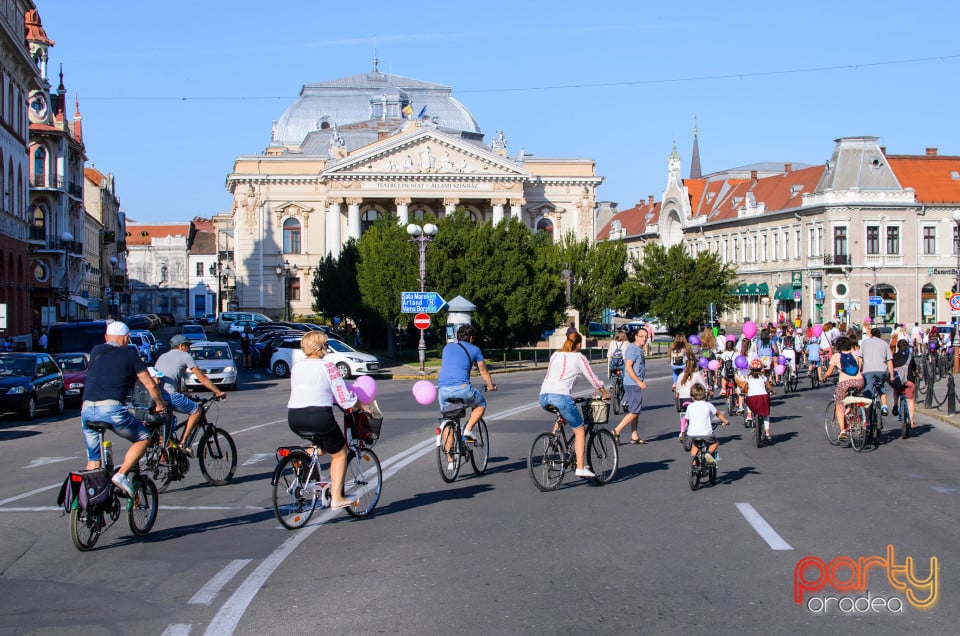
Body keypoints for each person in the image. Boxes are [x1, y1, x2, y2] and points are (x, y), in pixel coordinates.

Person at [80, 321, 166, 497]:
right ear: (127, 339)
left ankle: (90, 501)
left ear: (106, 337)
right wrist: (159, 404)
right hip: (111, 409)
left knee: (94, 460)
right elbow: (150, 384)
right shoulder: (130, 355)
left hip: (87, 409)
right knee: (143, 437)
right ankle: (121, 475)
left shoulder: (96, 350)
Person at [287, 330, 367, 510]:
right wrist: (363, 406)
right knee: (339, 452)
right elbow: (344, 398)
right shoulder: (328, 367)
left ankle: (303, 458)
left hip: (294, 416)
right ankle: (337, 498)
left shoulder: (297, 366)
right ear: (322, 347)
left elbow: (311, 389)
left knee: (320, 445)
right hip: (319, 416)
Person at [539, 329, 610, 477]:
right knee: (579, 430)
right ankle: (580, 467)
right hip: (561, 396)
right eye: (580, 345)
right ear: (578, 344)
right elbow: (593, 378)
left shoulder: (555, 355)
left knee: (564, 414)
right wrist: (604, 393)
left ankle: (554, 440)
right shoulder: (579, 357)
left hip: (544, 396)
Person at [154, 334, 226, 455]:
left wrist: (184, 394)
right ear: (181, 346)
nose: (189, 348)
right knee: (197, 411)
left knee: (170, 420)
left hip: (158, 397)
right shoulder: (184, 356)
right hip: (170, 396)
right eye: (188, 346)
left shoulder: (162, 356)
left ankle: (168, 450)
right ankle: (183, 442)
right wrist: (218, 392)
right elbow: (201, 377)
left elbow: (169, 379)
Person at [437, 323, 497, 442]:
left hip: (443, 390)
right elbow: (484, 371)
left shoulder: (447, 348)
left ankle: (451, 460)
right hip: (462, 388)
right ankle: (468, 429)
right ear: (471, 338)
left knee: (448, 421)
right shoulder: (475, 349)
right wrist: (491, 386)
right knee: (481, 405)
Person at [821, 336, 864, 441]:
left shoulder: (836, 356)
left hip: (844, 383)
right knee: (855, 398)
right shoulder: (856, 354)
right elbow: (860, 368)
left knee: (839, 404)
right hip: (859, 381)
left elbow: (829, 372)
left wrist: (823, 378)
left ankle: (843, 430)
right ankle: (856, 417)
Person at [612, 328, 649, 444]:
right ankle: (616, 430)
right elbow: (628, 367)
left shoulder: (638, 349)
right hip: (632, 383)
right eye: (641, 336)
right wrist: (638, 381)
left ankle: (634, 435)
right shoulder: (633, 349)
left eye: (645, 337)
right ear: (636, 337)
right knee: (635, 410)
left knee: (635, 409)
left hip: (633, 383)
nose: (644, 339)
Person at [684, 383, 729, 465]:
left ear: (692, 396)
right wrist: (725, 421)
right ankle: (708, 453)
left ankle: (694, 464)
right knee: (715, 443)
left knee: (695, 445)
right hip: (706, 433)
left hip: (692, 434)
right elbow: (718, 414)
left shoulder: (690, 407)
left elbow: (686, 419)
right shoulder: (708, 405)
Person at [736, 358, 774, 440]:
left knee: (748, 401)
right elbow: (769, 386)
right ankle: (767, 432)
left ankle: (749, 414)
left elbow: (743, 386)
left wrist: (742, 391)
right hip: (763, 397)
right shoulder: (763, 377)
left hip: (752, 398)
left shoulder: (748, 378)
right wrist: (772, 391)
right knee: (766, 414)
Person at [860, 327, 893, 416]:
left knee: (868, 392)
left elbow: (860, 358)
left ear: (870, 334)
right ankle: (884, 406)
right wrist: (892, 375)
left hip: (868, 370)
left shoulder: (864, 343)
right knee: (881, 387)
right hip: (881, 370)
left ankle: (867, 418)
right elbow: (889, 360)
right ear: (879, 335)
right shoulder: (884, 344)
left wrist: (860, 370)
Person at [890, 339, 918, 438]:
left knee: (896, 390)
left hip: (898, 381)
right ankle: (911, 421)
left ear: (898, 347)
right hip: (909, 380)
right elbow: (914, 368)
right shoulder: (910, 356)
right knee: (910, 400)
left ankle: (895, 404)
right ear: (907, 348)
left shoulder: (893, 356)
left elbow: (890, 367)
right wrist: (918, 374)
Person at [676, 355, 706, 440]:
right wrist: (707, 391)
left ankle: (682, 432)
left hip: (683, 400)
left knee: (685, 414)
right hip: (692, 399)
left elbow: (678, 388)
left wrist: (678, 393)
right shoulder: (697, 375)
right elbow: (704, 386)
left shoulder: (681, 375)